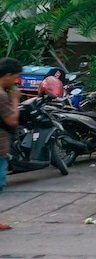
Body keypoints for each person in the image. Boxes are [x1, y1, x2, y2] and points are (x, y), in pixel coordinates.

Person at [0, 57, 22, 231]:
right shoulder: (1, 95)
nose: (16, 81)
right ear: (7, 75)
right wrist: (15, 99)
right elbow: (12, 120)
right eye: (15, 77)